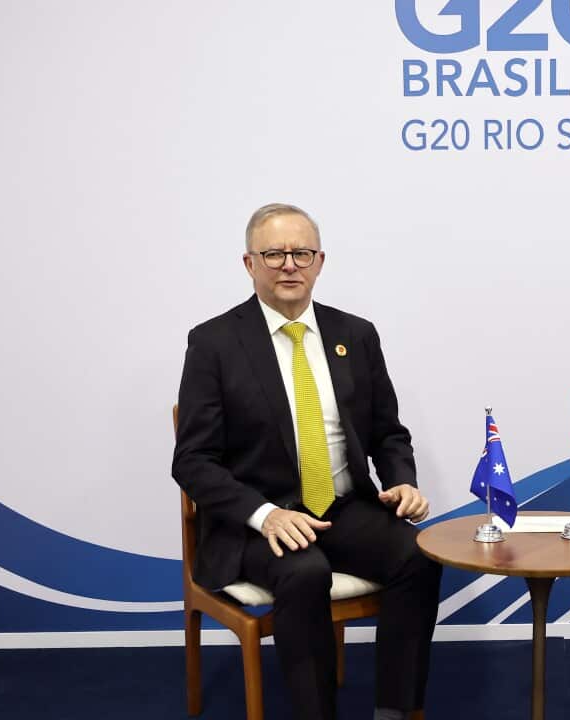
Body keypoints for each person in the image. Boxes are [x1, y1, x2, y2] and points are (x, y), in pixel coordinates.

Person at [172, 203, 441, 720]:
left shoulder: (356, 335)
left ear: (320, 262)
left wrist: (402, 481)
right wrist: (265, 515)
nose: (289, 264)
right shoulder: (214, 343)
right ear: (249, 264)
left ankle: (395, 710)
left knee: (419, 555)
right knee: (304, 572)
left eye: (301, 253)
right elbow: (193, 460)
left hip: (341, 506)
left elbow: (388, 432)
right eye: (274, 253)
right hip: (256, 522)